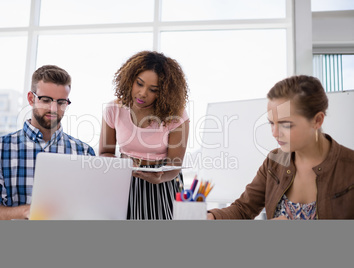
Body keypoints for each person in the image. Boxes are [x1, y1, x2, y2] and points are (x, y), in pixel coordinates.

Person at [207, 75, 354, 220]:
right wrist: (211, 217)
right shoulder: (274, 162)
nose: (275, 133)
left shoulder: (349, 168)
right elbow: (242, 209)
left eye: (286, 125)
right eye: (271, 123)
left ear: (317, 120)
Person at [0, 65, 95, 220]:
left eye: (61, 102)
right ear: (31, 98)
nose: (53, 108)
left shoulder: (84, 153)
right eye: (46, 100)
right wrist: (26, 212)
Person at [99, 51, 190, 220]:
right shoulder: (114, 109)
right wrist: (123, 166)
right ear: (130, 79)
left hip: (163, 184)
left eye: (153, 89)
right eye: (139, 84)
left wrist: (161, 177)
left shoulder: (176, 116)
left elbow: (175, 165)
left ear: (164, 92)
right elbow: (105, 153)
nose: (142, 93)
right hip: (124, 180)